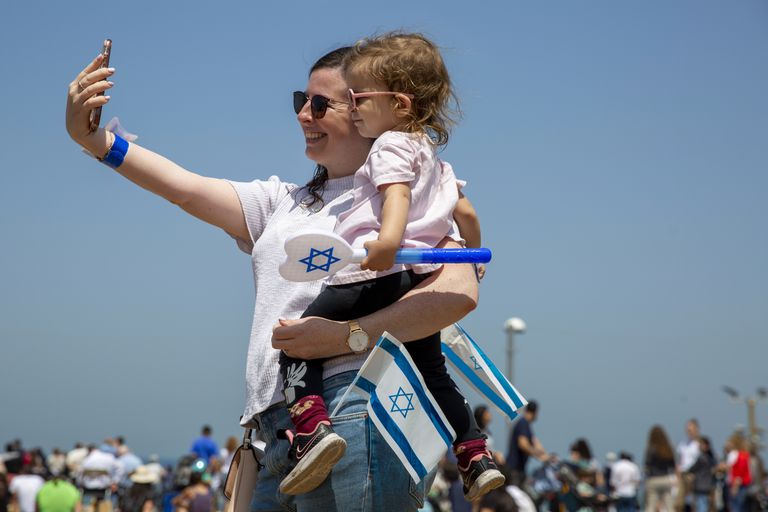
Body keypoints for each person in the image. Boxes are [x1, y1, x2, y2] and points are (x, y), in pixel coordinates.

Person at [65, 38, 479, 512]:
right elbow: (184, 188)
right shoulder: (286, 202)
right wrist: (94, 141)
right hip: (272, 436)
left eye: (321, 104)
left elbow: (458, 294)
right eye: (300, 101)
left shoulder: (410, 209)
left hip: (356, 411)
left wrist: (344, 337)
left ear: (375, 109)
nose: (304, 114)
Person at [276, 32, 496, 501]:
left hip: (372, 273)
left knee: (296, 340)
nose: (352, 108)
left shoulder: (389, 146)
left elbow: (394, 196)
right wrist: (473, 261)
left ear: (397, 102)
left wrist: (386, 242)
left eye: (359, 98)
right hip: (415, 279)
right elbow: (469, 216)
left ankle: (313, 430)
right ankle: (474, 452)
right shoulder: (436, 159)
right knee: (432, 372)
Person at [506, 401, 549, 488]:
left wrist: (545, 455)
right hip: (514, 469)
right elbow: (523, 445)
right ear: (535, 412)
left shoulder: (526, 426)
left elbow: (535, 442)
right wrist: (538, 455)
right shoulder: (523, 423)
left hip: (519, 469)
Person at [644, 424, 677, 512]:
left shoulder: (651, 450)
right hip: (666, 479)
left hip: (654, 479)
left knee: (650, 506)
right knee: (669, 506)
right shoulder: (668, 449)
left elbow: (647, 465)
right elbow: (673, 465)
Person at [676, 419, 701, 512]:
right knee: (679, 502)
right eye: (687, 429)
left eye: (690, 429)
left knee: (693, 502)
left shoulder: (699, 444)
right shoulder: (683, 444)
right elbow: (679, 460)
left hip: (694, 475)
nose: (688, 431)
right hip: (683, 474)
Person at [724, 433, 751, 512]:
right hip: (741, 484)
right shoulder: (744, 455)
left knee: (736, 507)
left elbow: (739, 471)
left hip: (738, 485)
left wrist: (735, 486)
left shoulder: (737, 455)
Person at [688, 436, 716, 512]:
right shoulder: (711, 458)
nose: (699, 446)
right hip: (707, 484)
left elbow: (692, 468)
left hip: (701, 485)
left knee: (701, 504)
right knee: (704, 504)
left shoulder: (702, 458)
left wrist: (687, 471)